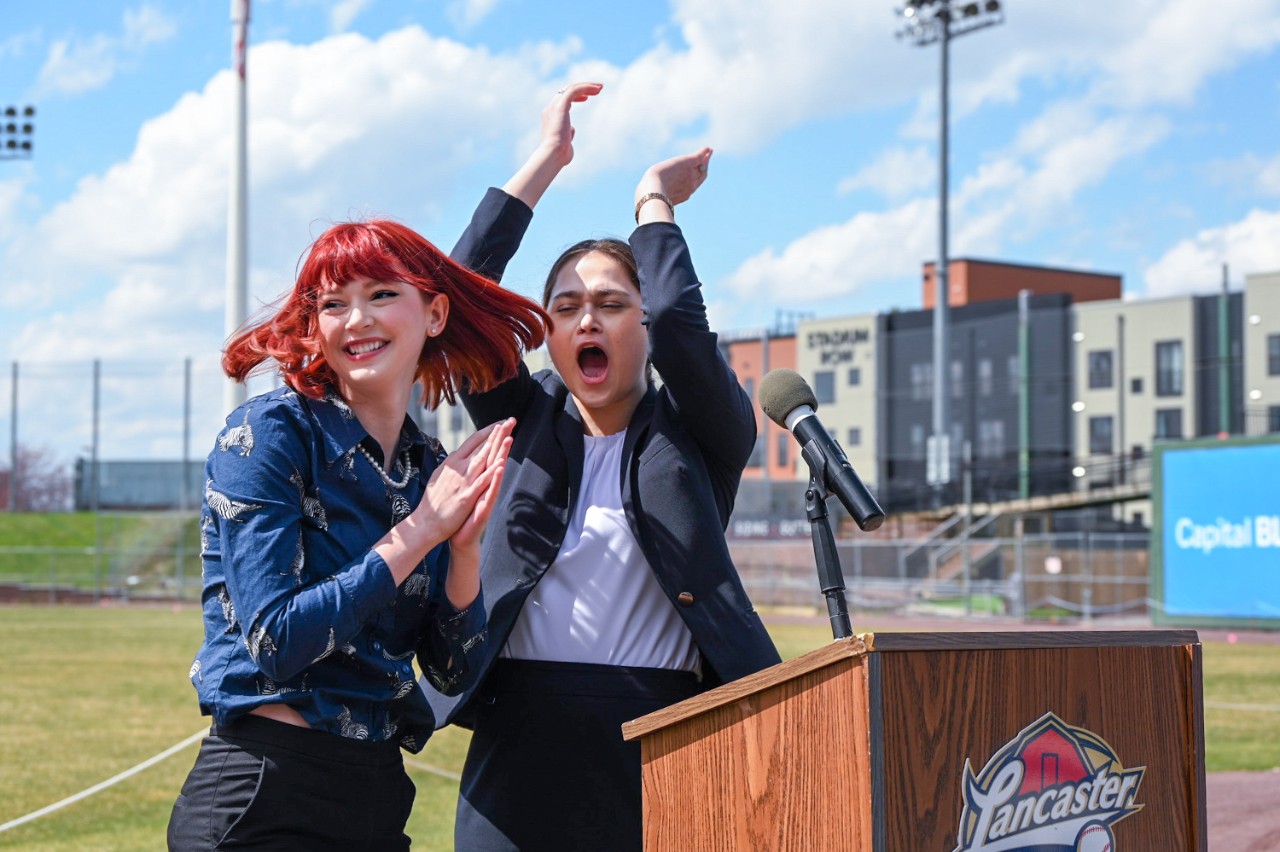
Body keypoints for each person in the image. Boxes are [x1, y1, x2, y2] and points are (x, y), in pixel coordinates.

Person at [430, 82, 783, 851]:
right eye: (564, 307)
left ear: (644, 323)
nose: (586, 317)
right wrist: (547, 160)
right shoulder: (518, 424)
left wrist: (654, 201)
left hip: (662, 737)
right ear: (548, 335)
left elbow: (686, 328)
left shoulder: (702, 435)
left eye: (612, 303)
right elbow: (451, 306)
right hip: (518, 742)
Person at [167, 214, 547, 851]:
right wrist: (422, 529)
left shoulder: (428, 468)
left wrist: (462, 549)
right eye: (334, 304)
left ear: (434, 313)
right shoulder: (268, 435)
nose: (357, 320)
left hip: (376, 793)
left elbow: (452, 674)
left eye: (381, 295)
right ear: (316, 328)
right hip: (265, 792)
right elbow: (277, 639)